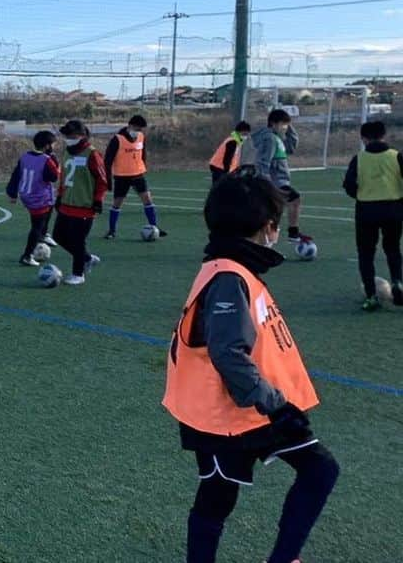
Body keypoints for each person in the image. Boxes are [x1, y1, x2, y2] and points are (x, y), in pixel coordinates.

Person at [162, 168, 339, 563]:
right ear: (267, 225)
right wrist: (276, 406)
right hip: (231, 415)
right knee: (221, 495)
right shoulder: (228, 277)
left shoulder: (232, 268)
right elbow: (228, 354)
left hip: (243, 410)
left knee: (312, 471)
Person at [343, 119, 403, 311]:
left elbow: (349, 185)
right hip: (393, 209)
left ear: (363, 138)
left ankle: (371, 296)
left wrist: (361, 194)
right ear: (384, 135)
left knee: (366, 253)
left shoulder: (359, 158)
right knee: (393, 248)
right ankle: (397, 283)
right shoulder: (396, 156)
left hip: (366, 210)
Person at [53, 120, 107, 286]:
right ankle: (87, 258)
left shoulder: (92, 154)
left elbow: (102, 180)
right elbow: (63, 177)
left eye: (72, 135)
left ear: (82, 135)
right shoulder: (68, 152)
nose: (68, 138)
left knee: (78, 241)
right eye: (66, 136)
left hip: (84, 206)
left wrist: (98, 200)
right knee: (58, 236)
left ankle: (78, 274)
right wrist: (60, 196)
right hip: (67, 204)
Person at [251, 109, 311, 244]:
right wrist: (265, 184)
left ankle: (267, 242)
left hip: (279, 182)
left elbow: (291, 147)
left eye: (287, 124)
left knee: (271, 214)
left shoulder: (276, 137)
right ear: (273, 124)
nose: (285, 127)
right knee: (294, 200)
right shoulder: (269, 139)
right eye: (283, 124)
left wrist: (290, 128)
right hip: (274, 183)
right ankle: (292, 234)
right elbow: (262, 162)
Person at [103, 114, 166, 239]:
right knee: (117, 203)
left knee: (148, 200)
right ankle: (111, 231)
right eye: (137, 129)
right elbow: (107, 161)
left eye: (140, 129)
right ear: (130, 126)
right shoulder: (117, 139)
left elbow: (143, 153)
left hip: (138, 174)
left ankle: (154, 226)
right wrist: (108, 179)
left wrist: (143, 166)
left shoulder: (141, 137)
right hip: (122, 176)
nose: (138, 132)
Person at [6, 130, 61, 266]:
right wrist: (54, 159)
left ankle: (44, 234)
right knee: (37, 226)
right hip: (38, 197)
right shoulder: (47, 160)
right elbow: (53, 177)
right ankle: (27, 255)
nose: (55, 147)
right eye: (53, 145)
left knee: (50, 205)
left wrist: (12, 192)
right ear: (48, 146)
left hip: (27, 194)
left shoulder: (25, 156)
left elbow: (16, 174)